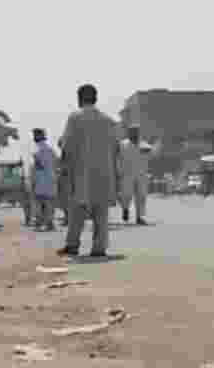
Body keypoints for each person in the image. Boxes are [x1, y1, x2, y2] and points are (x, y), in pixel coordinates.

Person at [58, 84, 121, 258]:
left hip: (82, 171)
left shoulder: (75, 118)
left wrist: (63, 167)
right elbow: (117, 148)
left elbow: (67, 145)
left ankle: (72, 245)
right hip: (104, 172)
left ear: (79, 98)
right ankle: (99, 248)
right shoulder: (109, 121)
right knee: (101, 211)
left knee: (77, 209)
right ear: (95, 98)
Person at [118, 124, 148, 225]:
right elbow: (117, 159)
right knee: (126, 195)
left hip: (141, 174)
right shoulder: (122, 144)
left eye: (136, 131)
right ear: (129, 133)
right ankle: (125, 209)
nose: (135, 133)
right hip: (127, 173)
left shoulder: (144, 144)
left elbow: (151, 155)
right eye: (133, 131)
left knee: (141, 196)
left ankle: (140, 217)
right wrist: (119, 171)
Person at [31, 128, 57, 231]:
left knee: (39, 203)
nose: (34, 137)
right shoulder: (51, 150)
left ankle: (39, 223)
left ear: (38, 137)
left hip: (41, 180)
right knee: (49, 203)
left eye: (35, 135)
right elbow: (55, 164)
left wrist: (33, 181)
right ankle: (49, 223)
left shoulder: (37, 151)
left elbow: (37, 167)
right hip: (50, 180)